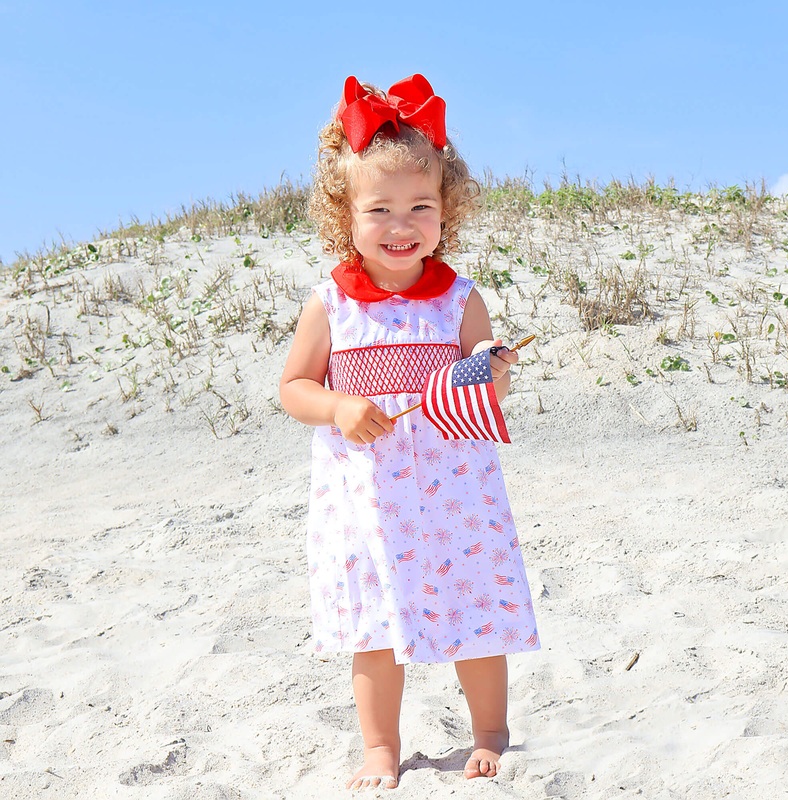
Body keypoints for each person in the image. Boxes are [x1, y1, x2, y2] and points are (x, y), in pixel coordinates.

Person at [280, 74, 540, 790]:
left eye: (421, 207)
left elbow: (487, 386)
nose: (402, 225)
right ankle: (379, 747)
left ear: (446, 211)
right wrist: (337, 408)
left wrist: (494, 371)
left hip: (455, 488)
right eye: (381, 209)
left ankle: (490, 732)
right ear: (346, 213)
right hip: (368, 497)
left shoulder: (460, 297)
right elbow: (293, 387)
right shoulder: (331, 303)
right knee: (374, 626)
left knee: (475, 610)